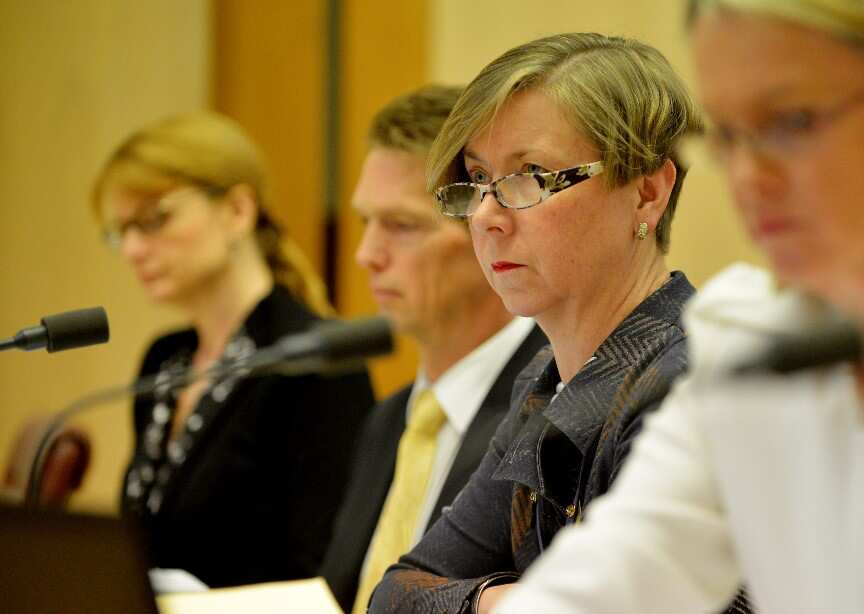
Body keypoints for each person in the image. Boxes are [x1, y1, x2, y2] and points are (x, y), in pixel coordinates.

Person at [494, 1, 864, 613]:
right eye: (727, 135)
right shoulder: (754, 345)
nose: (747, 176)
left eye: (791, 122)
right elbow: (615, 578)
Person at [369, 33, 748, 614]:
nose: (489, 216)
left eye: (530, 176)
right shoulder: (545, 380)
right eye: (477, 179)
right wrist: (503, 604)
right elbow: (399, 591)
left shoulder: (690, 381)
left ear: (647, 193)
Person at [92, 112, 376, 587]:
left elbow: (323, 574)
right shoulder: (165, 361)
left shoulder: (316, 361)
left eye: (155, 219)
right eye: (123, 231)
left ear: (238, 211)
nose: (133, 250)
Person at [318, 85, 548, 614]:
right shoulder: (387, 420)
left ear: (486, 227)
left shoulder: (551, 403)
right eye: (364, 222)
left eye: (401, 226)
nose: (365, 255)